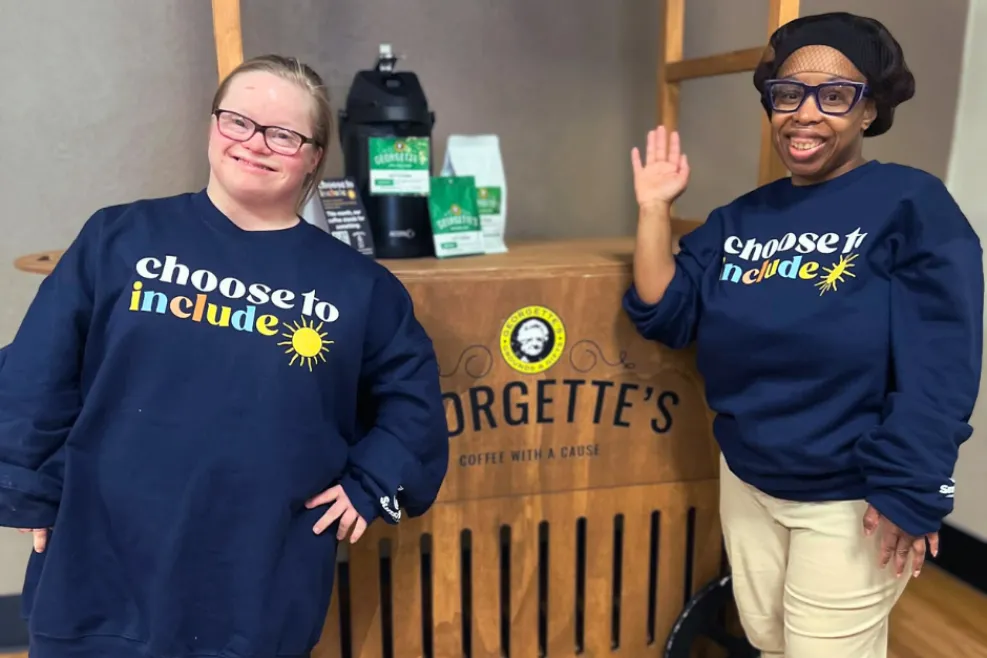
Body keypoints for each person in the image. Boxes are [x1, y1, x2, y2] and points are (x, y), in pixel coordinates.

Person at [0, 54, 450, 658]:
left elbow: (414, 405)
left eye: (283, 134)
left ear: (315, 156)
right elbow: (38, 366)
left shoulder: (360, 289)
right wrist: (26, 484)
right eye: (238, 120)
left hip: (254, 580)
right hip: (98, 562)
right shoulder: (119, 237)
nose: (254, 143)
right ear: (213, 124)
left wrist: (371, 483)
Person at [623, 12, 982, 658]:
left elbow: (941, 359)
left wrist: (912, 486)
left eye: (834, 95)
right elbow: (665, 309)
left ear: (868, 110)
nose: (804, 113)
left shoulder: (910, 205)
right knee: (769, 639)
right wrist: (654, 208)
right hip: (749, 479)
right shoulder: (741, 219)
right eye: (788, 94)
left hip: (849, 493)